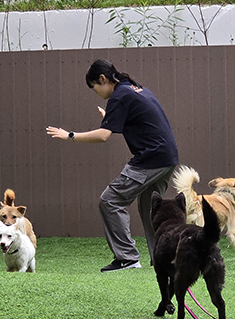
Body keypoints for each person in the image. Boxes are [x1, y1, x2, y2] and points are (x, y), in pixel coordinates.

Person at [47, 59, 179, 272]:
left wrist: (69, 135)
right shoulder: (136, 90)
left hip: (150, 159)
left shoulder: (120, 96)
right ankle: (162, 258)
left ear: (102, 79)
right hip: (167, 158)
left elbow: (102, 136)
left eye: (94, 88)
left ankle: (128, 258)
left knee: (110, 201)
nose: (96, 92)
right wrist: (111, 118)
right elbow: (141, 121)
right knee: (150, 209)